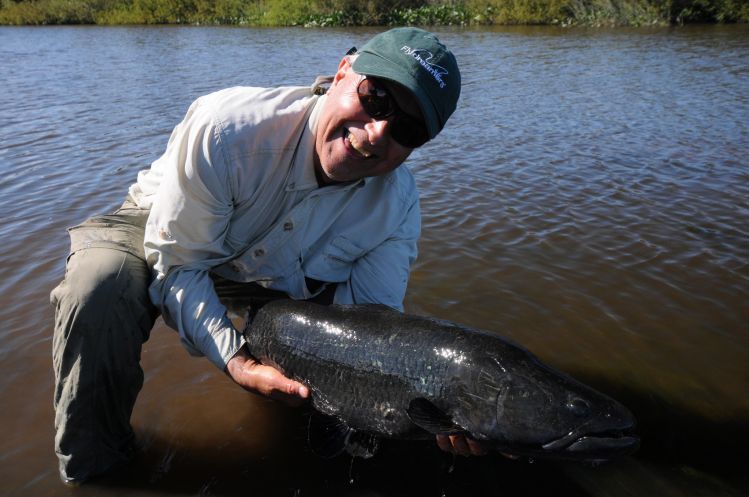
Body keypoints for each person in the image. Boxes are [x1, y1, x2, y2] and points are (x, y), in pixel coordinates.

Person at [51, 27, 481, 486]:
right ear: (342, 71)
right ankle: (98, 472)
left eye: (407, 129)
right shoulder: (229, 130)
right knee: (98, 285)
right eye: (376, 98)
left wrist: (426, 414)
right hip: (172, 234)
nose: (376, 133)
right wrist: (237, 361)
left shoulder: (397, 208)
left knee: (334, 389)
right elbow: (179, 264)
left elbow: (371, 329)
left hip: (280, 274)